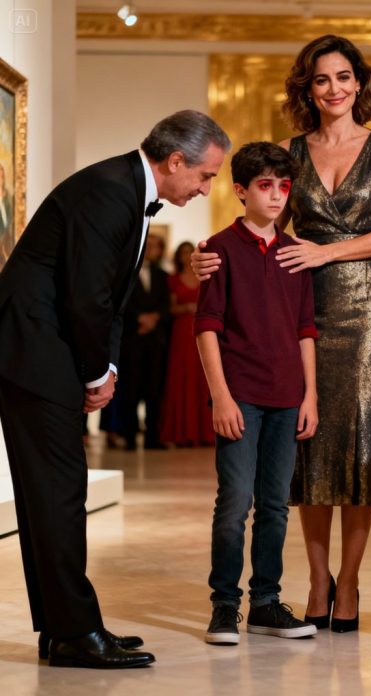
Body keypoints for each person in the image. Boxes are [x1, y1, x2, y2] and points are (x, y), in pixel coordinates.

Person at [191, 34, 371, 633]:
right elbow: (263, 222)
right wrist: (210, 255)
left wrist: (326, 252)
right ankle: (317, 581)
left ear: (359, 83)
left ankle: (351, 579)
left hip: (364, 310)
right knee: (310, 447)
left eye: (344, 77)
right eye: (322, 79)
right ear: (308, 89)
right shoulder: (292, 150)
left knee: (359, 444)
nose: (334, 88)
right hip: (300, 303)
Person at [0, 110, 230, 669]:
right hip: (34, 350)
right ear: (174, 161)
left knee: (53, 496)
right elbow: (87, 296)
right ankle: (74, 632)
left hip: (43, 350)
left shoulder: (125, 187)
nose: (205, 189)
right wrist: (96, 373)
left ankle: (66, 629)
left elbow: (110, 296)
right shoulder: (110, 189)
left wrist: (108, 367)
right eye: (205, 176)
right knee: (58, 495)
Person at [196, 141, 319, 645]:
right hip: (241, 396)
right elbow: (207, 328)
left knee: (274, 505)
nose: (275, 195)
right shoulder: (219, 249)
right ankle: (225, 606)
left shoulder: (296, 253)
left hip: (288, 397)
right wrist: (221, 397)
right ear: (241, 190)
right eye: (265, 185)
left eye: (283, 187)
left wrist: (310, 396)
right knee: (235, 501)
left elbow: (305, 329)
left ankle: (266, 603)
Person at [159, 241, 215, 447]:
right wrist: (187, 308)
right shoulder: (173, 279)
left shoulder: (206, 275)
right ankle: (182, 432)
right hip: (181, 332)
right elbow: (170, 308)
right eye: (182, 252)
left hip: (203, 330)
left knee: (204, 377)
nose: (186, 255)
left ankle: (205, 432)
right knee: (182, 377)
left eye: (189, 252)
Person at [119, 233, 171, 450]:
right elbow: (120, 302)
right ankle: (129, 437)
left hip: (155, 340)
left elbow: (166, 304)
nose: (151, 249)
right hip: (132, 337)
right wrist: (139, 318)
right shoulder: (125, 272)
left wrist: (154, 318)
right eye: (148, 245)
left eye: (155, 246)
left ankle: (152, 438)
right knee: (130, 388)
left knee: (154, 389)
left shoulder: (163, 275)